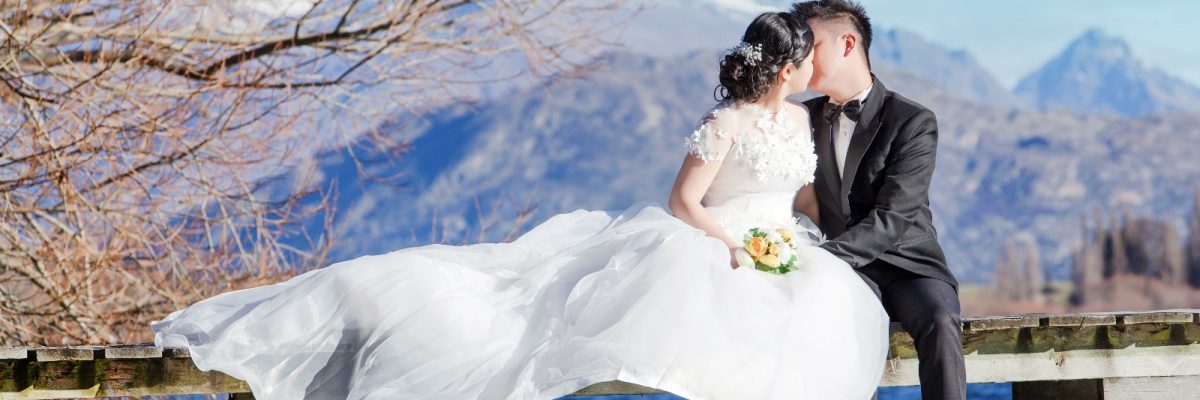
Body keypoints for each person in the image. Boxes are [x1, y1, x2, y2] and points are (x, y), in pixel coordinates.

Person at [151, 11, 888, 400]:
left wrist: (794, 243)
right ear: (785, 65)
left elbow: (797, 194)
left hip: (780, 248)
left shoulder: (800, 121)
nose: (810, 71)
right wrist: (729, 244)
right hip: (711, 241)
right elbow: (682, 200)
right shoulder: (724, 122)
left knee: (818, 324)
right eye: (804, 61)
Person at [789, 1, 966, 399]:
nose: (800, 56)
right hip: (843, 269)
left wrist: (826, 257)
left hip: (908, 262)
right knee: (831, 320)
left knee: (939, 317)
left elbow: (896, 214)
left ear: (848, 43)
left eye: (810, 44)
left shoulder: (912, 120)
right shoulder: (802, 118)